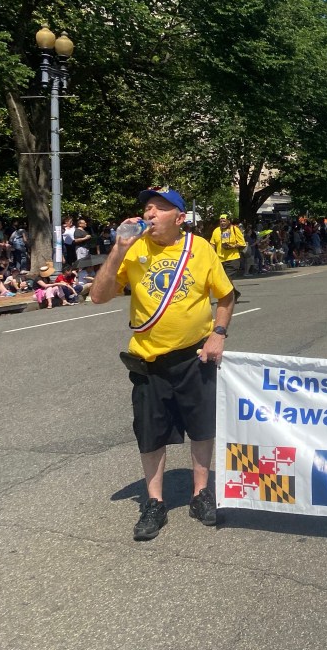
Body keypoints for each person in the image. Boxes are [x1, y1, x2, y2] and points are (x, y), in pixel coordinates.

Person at [91, 187, 235, 541]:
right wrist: (117, 249)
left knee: (202, 427)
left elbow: (226, 296)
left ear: (180, 218)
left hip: (194, 356)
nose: (149, 214)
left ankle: (201, 493)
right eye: (147, 208)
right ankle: (154, 502)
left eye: (159, 208)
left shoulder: (200, 248)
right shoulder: (133, 248)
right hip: (148, 360)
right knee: (150, 432)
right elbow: (98, 296)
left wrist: (218, 334)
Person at [210, 213, 245, 300]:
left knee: (227, 278)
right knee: (223, 279)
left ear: (228, 221)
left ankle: (228, 297)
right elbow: (212, 244)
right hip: (220, 260)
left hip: (233, 258)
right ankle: (235, 293)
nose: (222, 223)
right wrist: (211, 255)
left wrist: (232, 246)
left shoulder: (234, 229)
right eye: (221, 221)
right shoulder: (216, 231)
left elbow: (242, 243)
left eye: (224, 221)